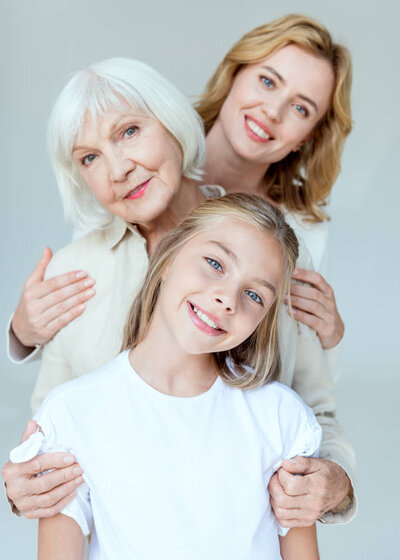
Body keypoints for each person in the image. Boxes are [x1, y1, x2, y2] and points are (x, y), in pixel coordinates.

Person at [3, 50, 355, 526]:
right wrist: (24, 483)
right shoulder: (74, 272)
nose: (118, 169)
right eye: (90, 157)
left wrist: (335, 481)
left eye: (129, 132)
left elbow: (316, 413)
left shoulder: (269, 251)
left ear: (172, 122)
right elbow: (53, 437)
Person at [10, 194, 322, 560]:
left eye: (253, 294)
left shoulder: (281, 418)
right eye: (214, 263)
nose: (227, 299)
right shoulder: (72, 414)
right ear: (169, 257)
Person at [197, 13, 352, 353]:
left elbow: (306, 384)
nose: (272, 111)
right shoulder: (148, 163)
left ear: (307, 138)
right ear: (234, 72)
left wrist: (328, 339)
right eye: (268, 82)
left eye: (300, 108)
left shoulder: (304, 234)